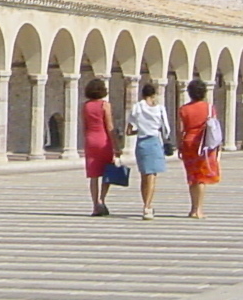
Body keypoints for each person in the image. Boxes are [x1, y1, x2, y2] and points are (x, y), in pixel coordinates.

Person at [176, 77, 223, 219]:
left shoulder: (183, 109)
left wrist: (179, 146)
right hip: (204, 144)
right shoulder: (209, 108)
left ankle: (192, 208)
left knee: (192, 177)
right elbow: (214, 127)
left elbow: (180, 130)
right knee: (201, 177)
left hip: (189, 143)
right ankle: (198, 209)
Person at [127, 80, 171, 220]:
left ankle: (145, 204)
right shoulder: (160, 109)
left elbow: (129, 130)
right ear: (153, 95)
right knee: (152, 176)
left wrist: (140, 130)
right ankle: (148, 206)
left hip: (141, 142)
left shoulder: (137, 108)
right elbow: (167, 130)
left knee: (144, 175)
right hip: (154, 142)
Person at [82, 76, 119, 216]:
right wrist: (116, 146)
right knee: (106, 172)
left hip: (91, 140)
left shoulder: (86, 106)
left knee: (93, 175)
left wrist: (86, 140)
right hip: (103, 140)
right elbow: (109, 126)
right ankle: (102, 200)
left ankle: (94, 205)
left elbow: (84, 126)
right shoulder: (105, 105)